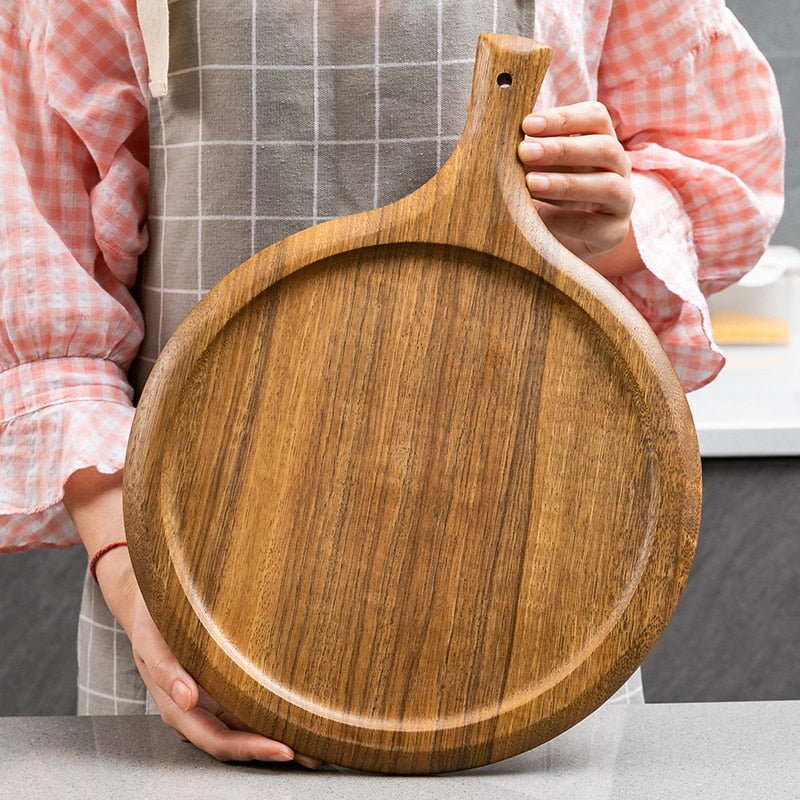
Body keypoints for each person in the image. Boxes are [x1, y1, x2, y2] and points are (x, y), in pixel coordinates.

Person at [0, 0, 784, 766]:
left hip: (537, 601)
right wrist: (139, 589)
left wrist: (615, 227)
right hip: (191, 607)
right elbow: (50, 324)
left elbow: (724, 168)